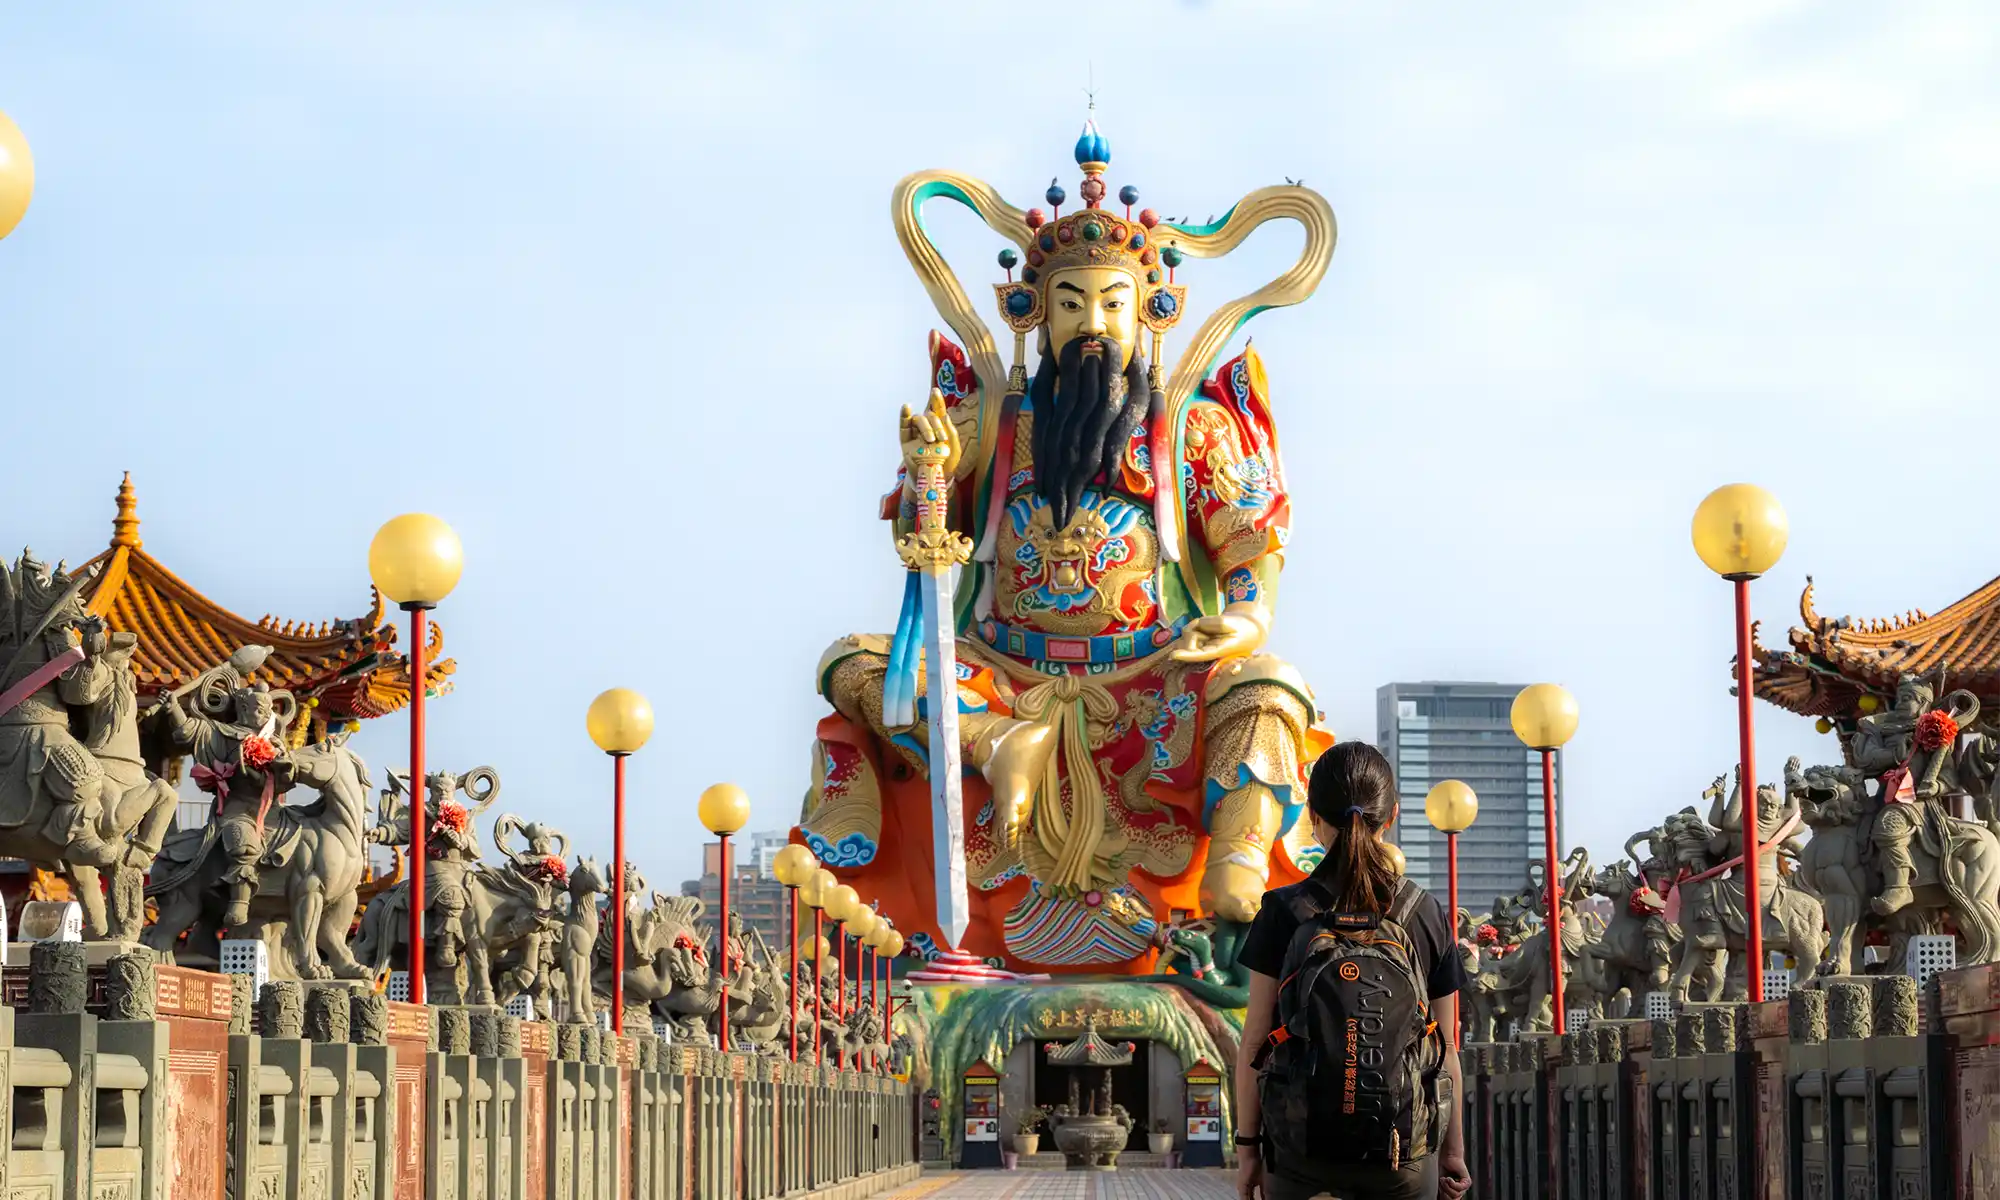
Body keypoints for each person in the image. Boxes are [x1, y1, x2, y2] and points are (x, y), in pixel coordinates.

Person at [1233, 742, 1472, 1200]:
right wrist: (1452, 1153)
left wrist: (1248, 1151)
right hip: (1403, 1153)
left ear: (1312, 817)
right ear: (1393, 815)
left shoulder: (1283, 911)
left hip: (1299, 1151)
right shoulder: (1422, 912)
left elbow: (1254, 1042)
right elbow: (1446, 1048)